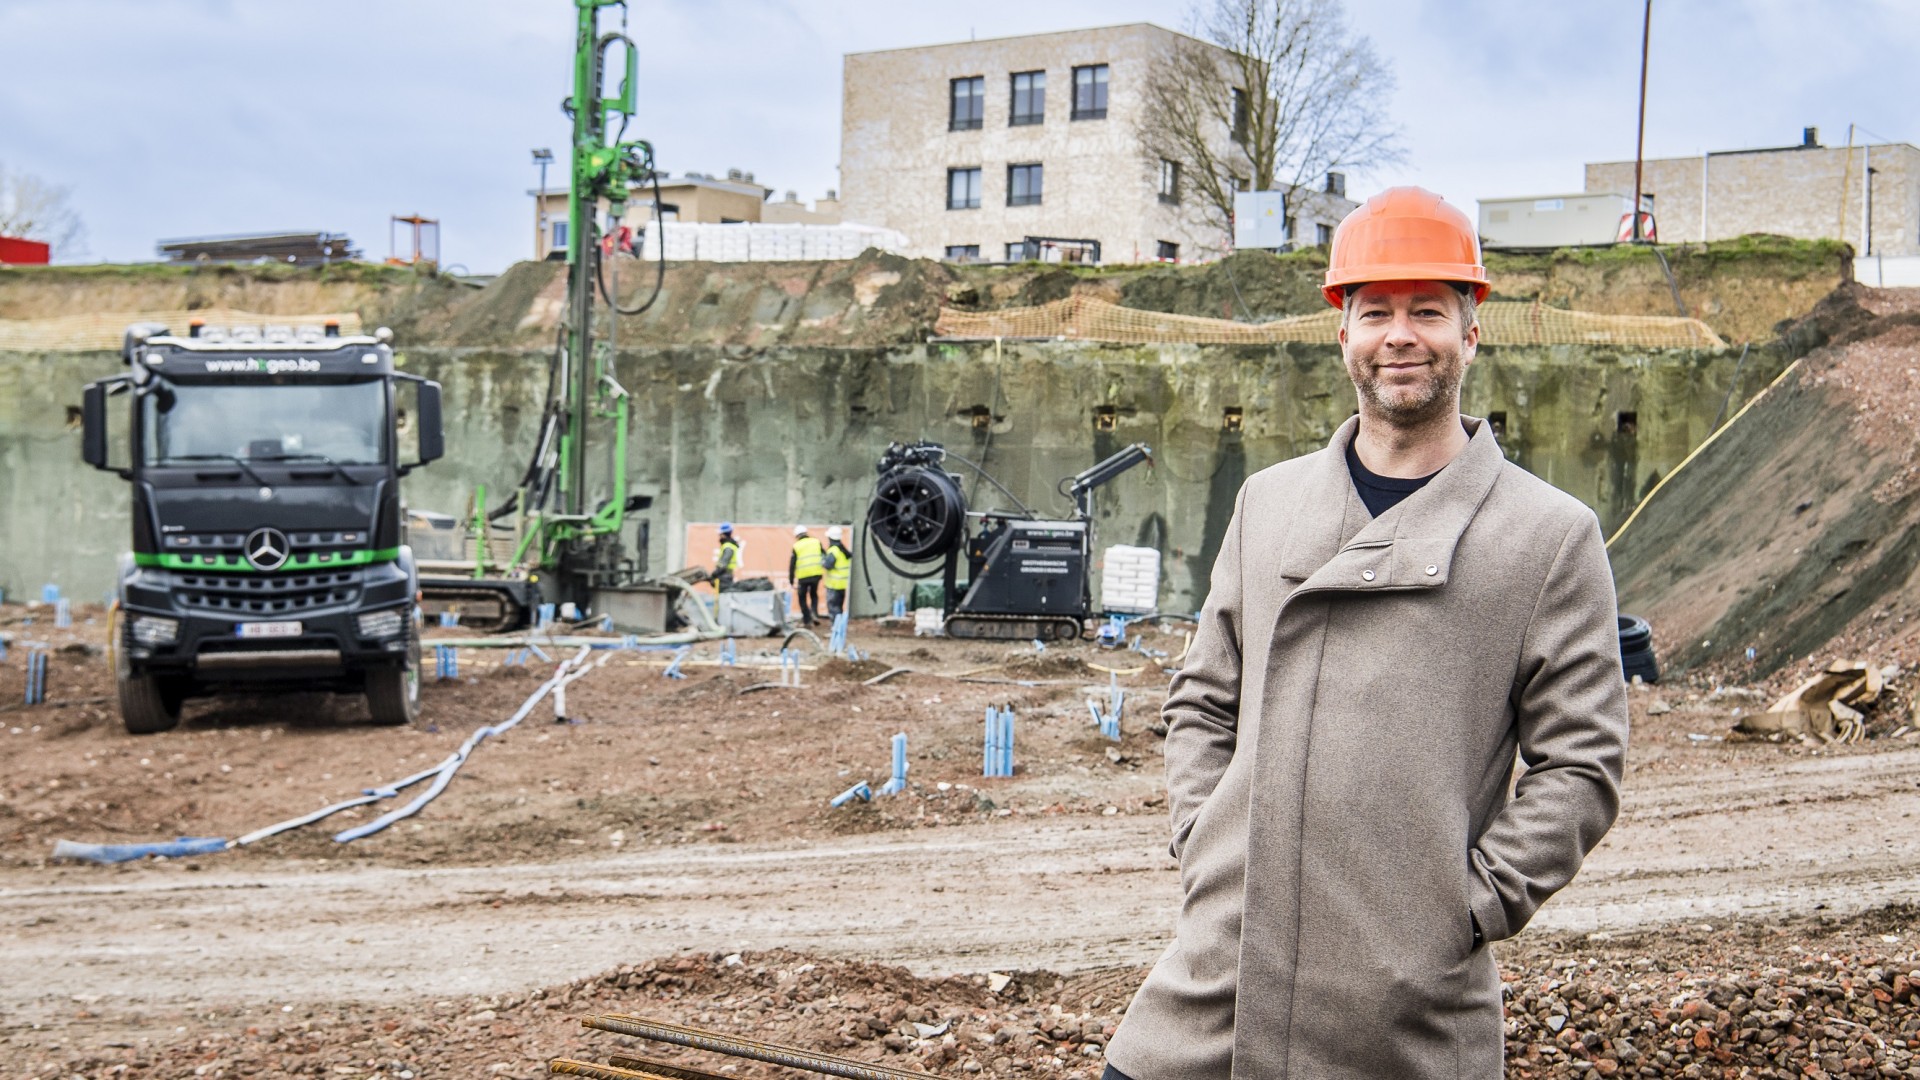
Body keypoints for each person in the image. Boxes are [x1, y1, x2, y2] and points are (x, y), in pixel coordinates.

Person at [1102, 188, 1631, 1080]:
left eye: (1429, 310)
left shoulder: (1546, 534)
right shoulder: (1268, 503)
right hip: (1216, 977)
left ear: (1472, 332)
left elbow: (1581, 763)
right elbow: (1202, 698)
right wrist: (1205, 840)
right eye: (1375, 311)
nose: (1400, 335)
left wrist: (1461, 908)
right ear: (1340, 332)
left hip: (1403, 1010)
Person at [788, 524, 824, 628]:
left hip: (803, 576)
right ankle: (814, 613)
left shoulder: (797, 546)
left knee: (802, 598)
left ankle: (807, 620)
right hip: (816, 574)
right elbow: (824, 555)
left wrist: (791, 579)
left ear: (797, 535)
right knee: (814, 594)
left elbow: (792, 564)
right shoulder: (816, 542)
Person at [822, 525, 853, 618]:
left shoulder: (834, 551)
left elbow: (828, 565)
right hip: (842, 584)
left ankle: (835, 629)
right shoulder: (843, 550)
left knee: (833, 608)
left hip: (834, 585)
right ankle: (839, 629)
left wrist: (822, 560)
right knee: (839, 608)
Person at [712, 522, 742, 592]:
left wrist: (716, 572)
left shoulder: (728, 546)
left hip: (725, 576)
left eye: (720, 534)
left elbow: (724, 562)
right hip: (726, 575)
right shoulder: (729, 545)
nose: (719, 536)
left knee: (724, 594)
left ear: (723, 534)